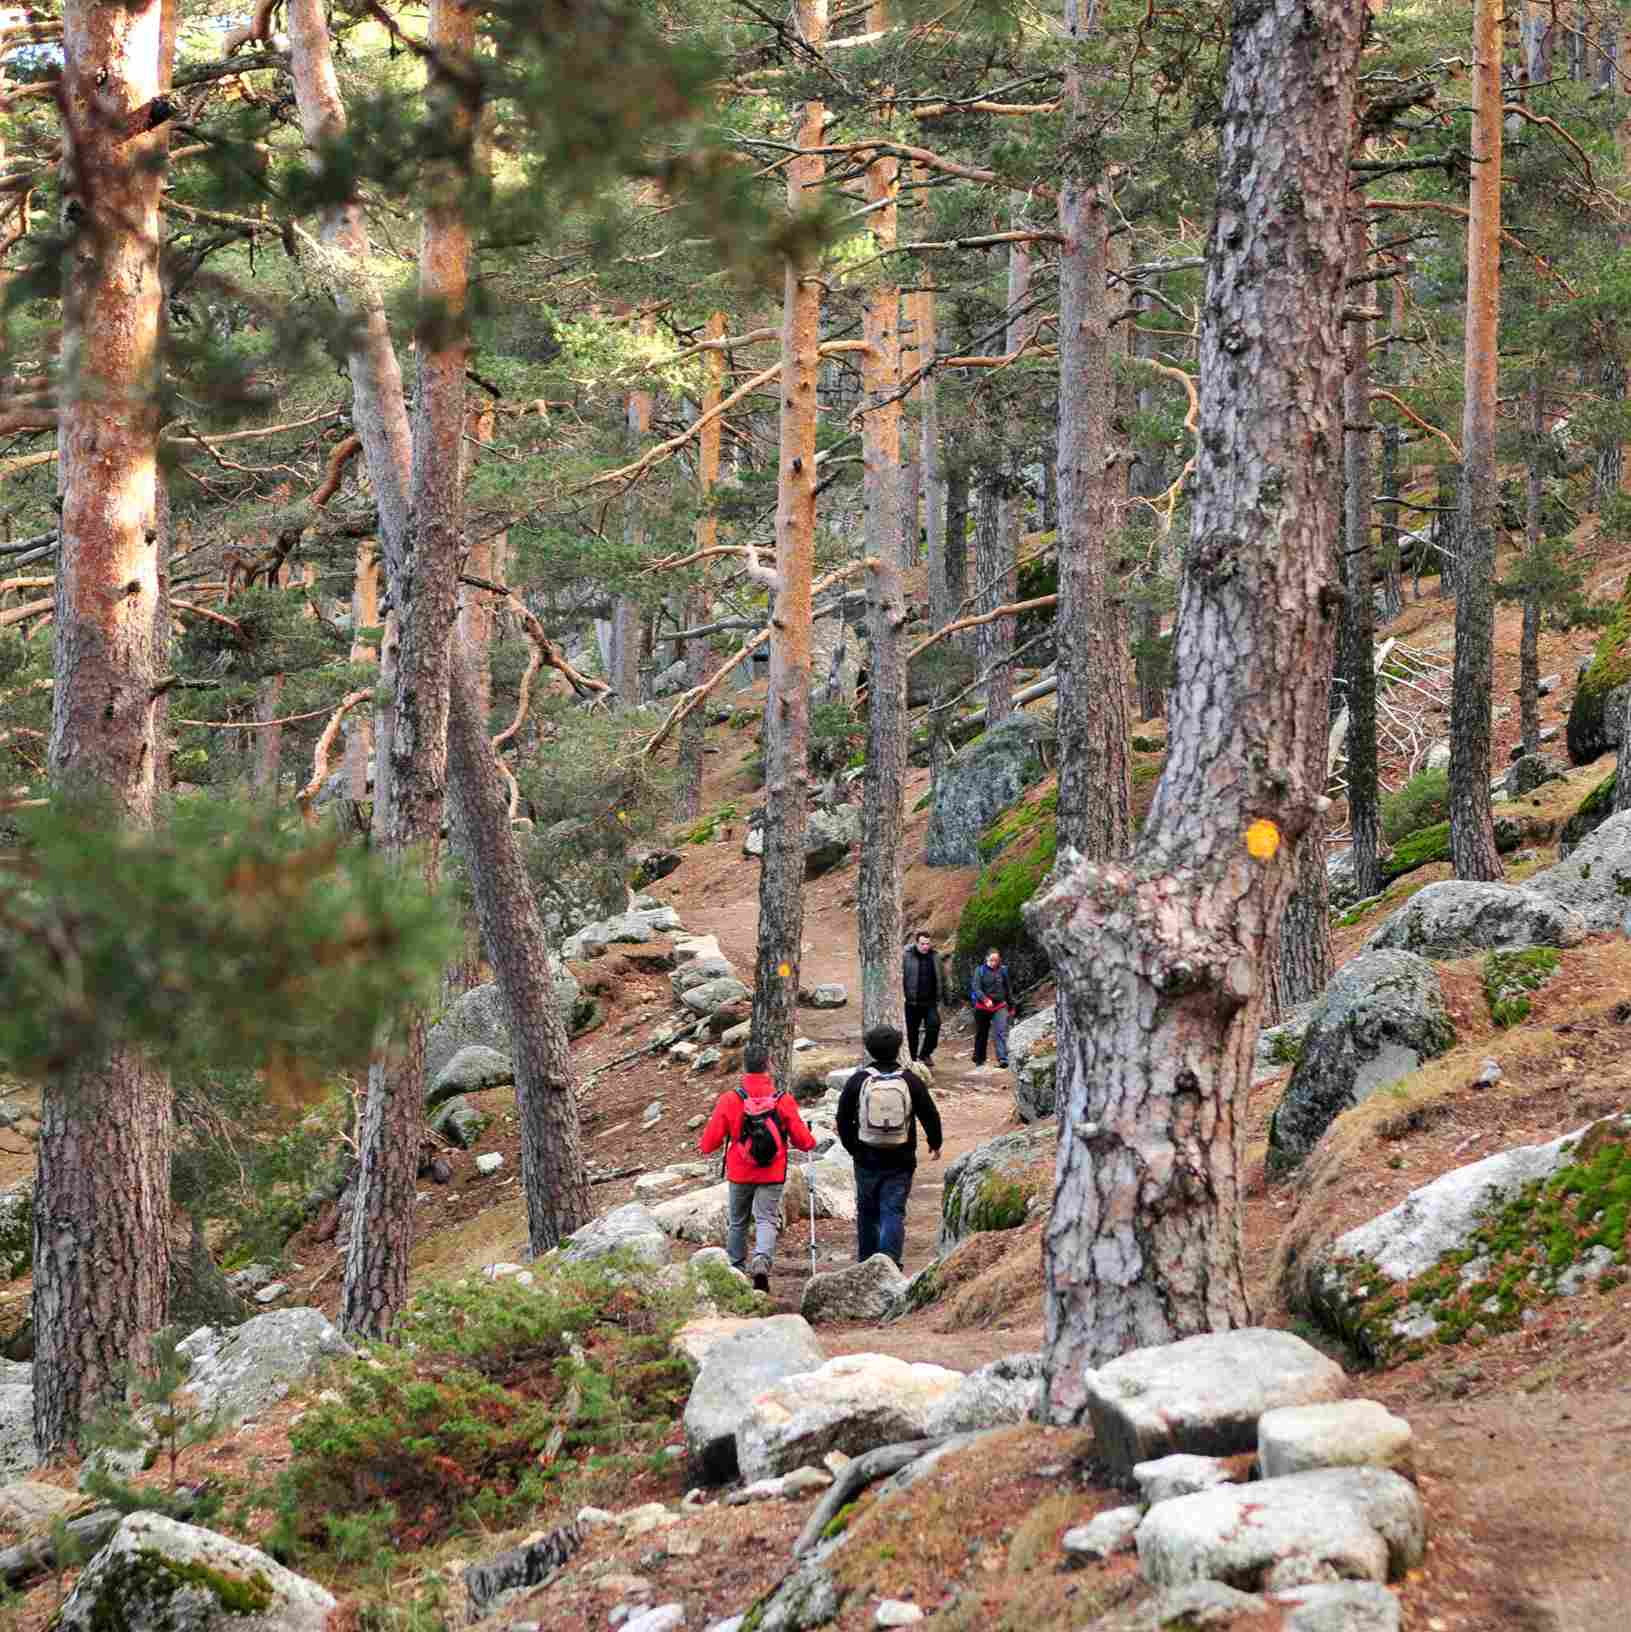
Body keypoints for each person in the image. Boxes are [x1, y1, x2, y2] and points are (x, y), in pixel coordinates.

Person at [698, 1041, 817, 1291]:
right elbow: (803, 1141)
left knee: (738, 1221)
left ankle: (736, 1268)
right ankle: (762, 1261)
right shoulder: (782, 1100)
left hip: (740, 1172)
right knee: (766, 1219)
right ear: (768, 1066)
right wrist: (811, 1139)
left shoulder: (730, 1100)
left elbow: (709, 1144)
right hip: (772, 1172)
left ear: (744, 1067)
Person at [836, 1024, 943, 1270]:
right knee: (893, 1210)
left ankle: (866, 1263)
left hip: (866, 1157)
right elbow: (929, 1113)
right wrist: (935, 1142)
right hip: (901, 1158)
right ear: (898, 1048)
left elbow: (842, 1118)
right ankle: (889, 1264)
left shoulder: (859, 1080)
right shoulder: (910, 1080)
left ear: (870, 1050)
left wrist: (854, 1147)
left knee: (867, 1212)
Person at [901, 930, 941, 1066]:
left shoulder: (935, 957)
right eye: (922, 944)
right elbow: (898, 976)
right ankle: (911, 1060)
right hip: (911, 1002)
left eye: (928, 944)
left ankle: (925, 1053)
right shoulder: (906, 956)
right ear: (916, 943)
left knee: (934, 1026)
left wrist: (946, 995)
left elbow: (943, 976)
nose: (925, 946)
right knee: (912, 1033)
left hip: (930, 1002)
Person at [970, 946, 1012, 1070]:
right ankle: (979, 1059)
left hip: (1000, 1006)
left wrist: (1012, 1005)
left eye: (996, 960)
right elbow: (976, 988)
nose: (994, 963)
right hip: (982, 1006)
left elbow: (1008, 989)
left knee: (1000, 1031)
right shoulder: (980, 970)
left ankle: (1003, 1059)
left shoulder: (1003, 971)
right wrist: (985, 999)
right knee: (981, 1033)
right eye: (991, 960)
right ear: (986, 959)